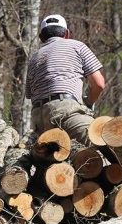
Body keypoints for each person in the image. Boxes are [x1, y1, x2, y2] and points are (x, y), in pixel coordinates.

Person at [25, 14, 106, 145]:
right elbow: (99, 84)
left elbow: (30, 95)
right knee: (104, 141)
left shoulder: (34, 59)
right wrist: (89, 103)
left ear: (41, 38)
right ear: (67, 34)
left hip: (38, 119)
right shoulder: (77, 46)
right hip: (65, 111)